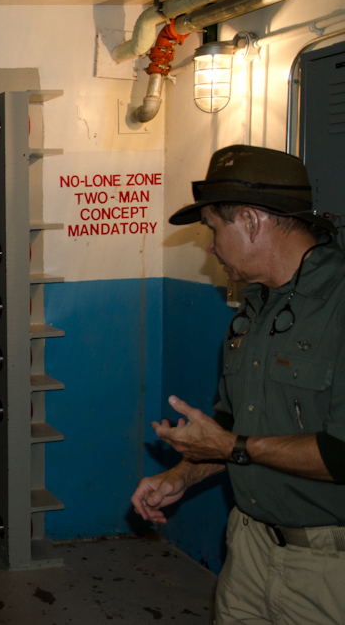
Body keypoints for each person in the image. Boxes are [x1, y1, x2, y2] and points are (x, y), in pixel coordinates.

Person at [130, 145, 345, 625]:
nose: (209, 247)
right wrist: (180, 475)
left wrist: (231, 445)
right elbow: (232, 425)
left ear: (249, 221)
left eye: (213, 229)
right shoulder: (254, 311)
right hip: (248, 548)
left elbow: (339, 452)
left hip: (328, 569)